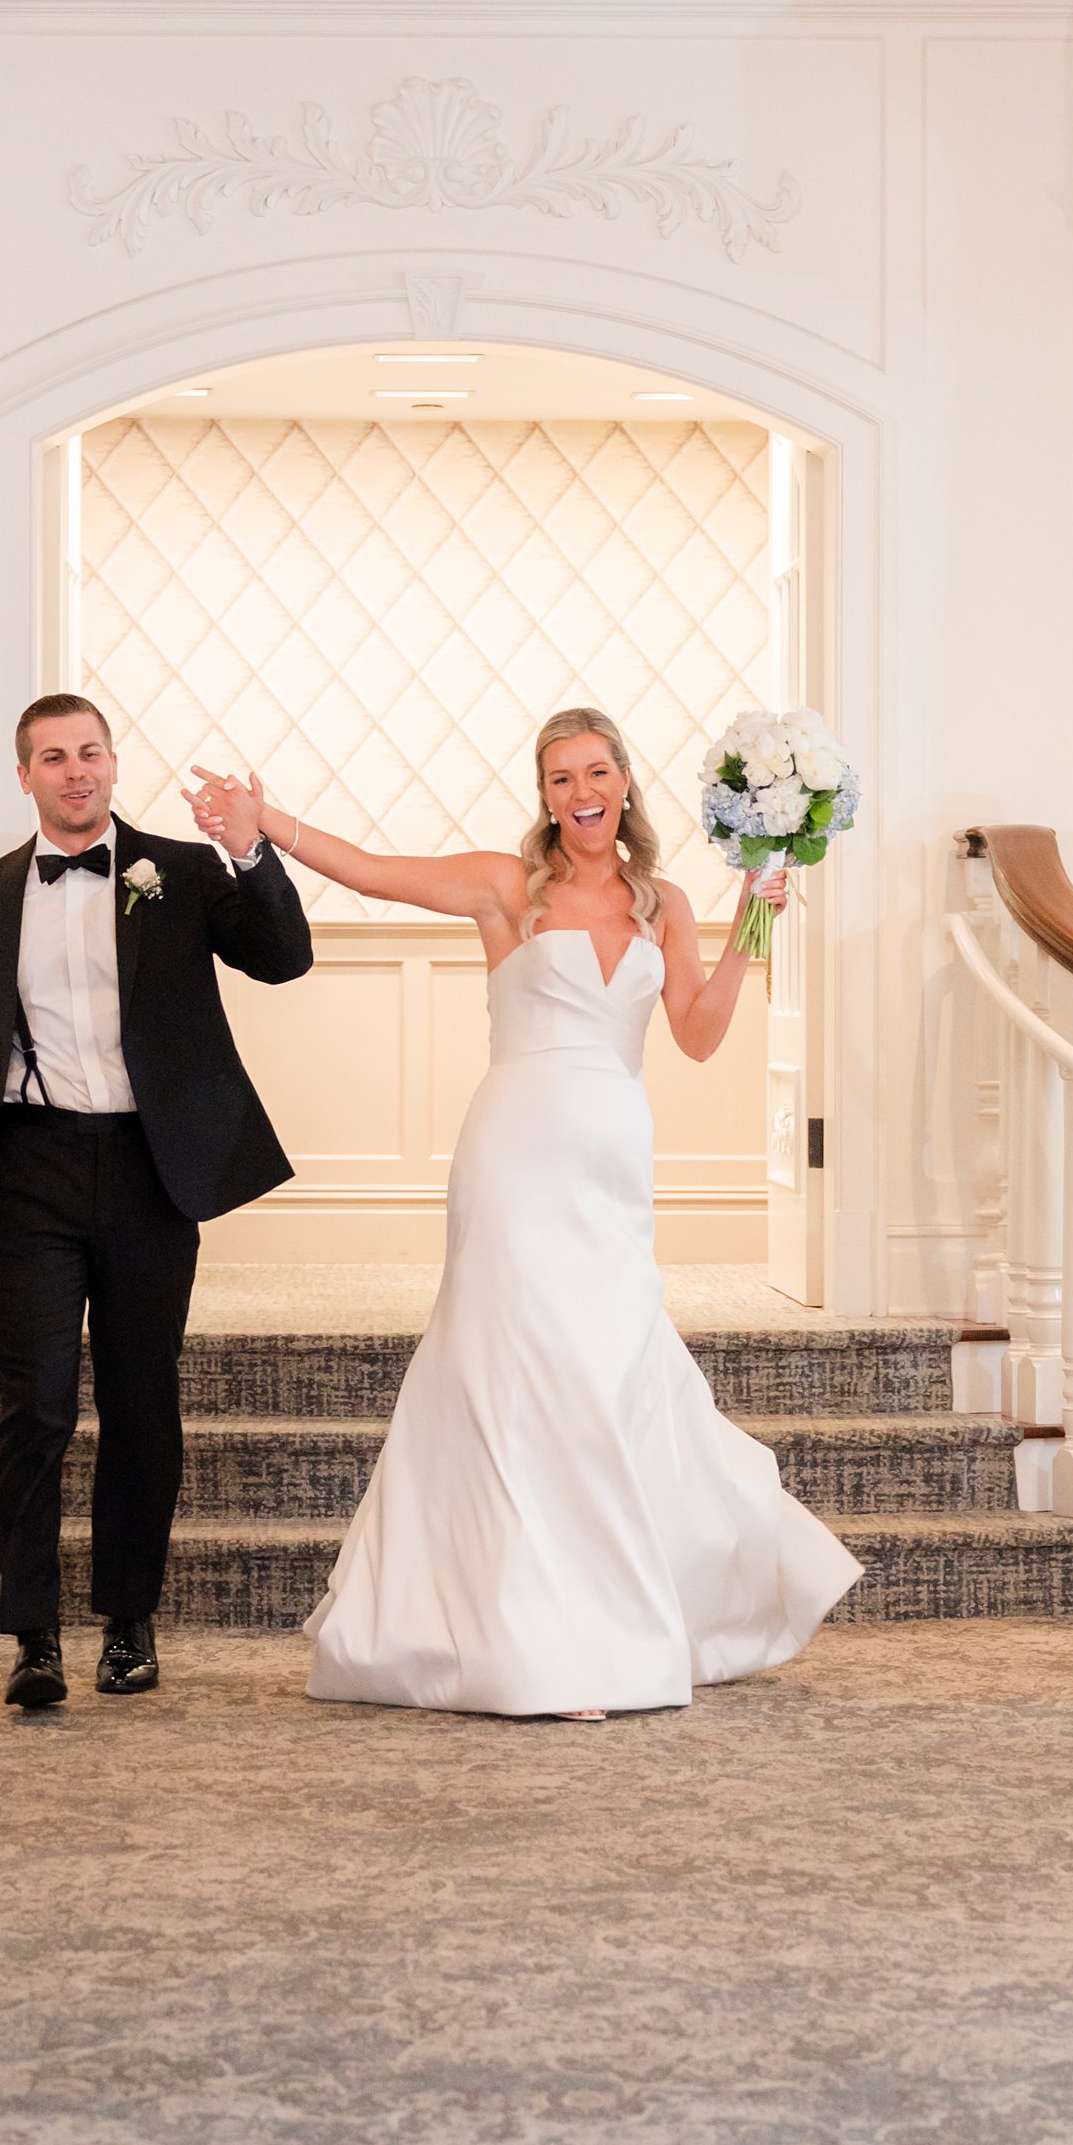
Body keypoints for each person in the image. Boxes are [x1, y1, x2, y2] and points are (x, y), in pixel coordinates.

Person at [184, 713, 861, 1717]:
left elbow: (702, 1033)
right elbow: (372, 870)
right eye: (559, 777)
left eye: (596, 770)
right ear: (544, 795)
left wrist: (751, 924)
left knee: (608, 1374)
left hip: (612, 1166)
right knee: (520, 1379)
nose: (580, 791)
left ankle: (609, 1616)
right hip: (513, 1160)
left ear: (625, 782)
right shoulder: (510, 886)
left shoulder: (663, 901)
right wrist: (260, 820)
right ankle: (541, 1638)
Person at [0, 695, 313, 1710]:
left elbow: (283, 956)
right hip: (30, 1165)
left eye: (90, 751)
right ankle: (32, 1637)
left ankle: (130, 1622)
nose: (75, 770)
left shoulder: (178, 870)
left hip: (147, 1164)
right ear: (25, 775)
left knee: (139, 1402)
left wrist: (253, 850)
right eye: (53, 756)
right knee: (32, 1407)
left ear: (114, 763)